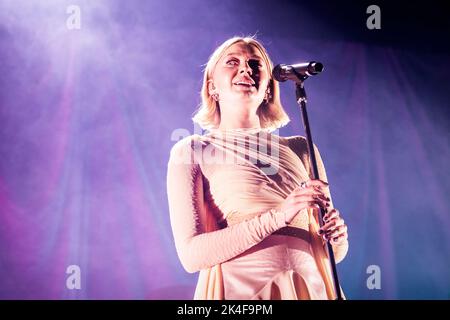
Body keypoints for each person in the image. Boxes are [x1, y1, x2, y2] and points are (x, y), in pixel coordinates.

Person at [167, 36, 349, 300]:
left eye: (255, 63)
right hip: (244, 293)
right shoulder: (193, 150)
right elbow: (191, 256)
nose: (245, 69)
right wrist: (279, 215)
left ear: (268, 88)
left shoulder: (301, 147)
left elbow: (335, 253)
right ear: (212, 86)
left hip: (312, 288)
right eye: (233, 62)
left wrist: (337, 236)